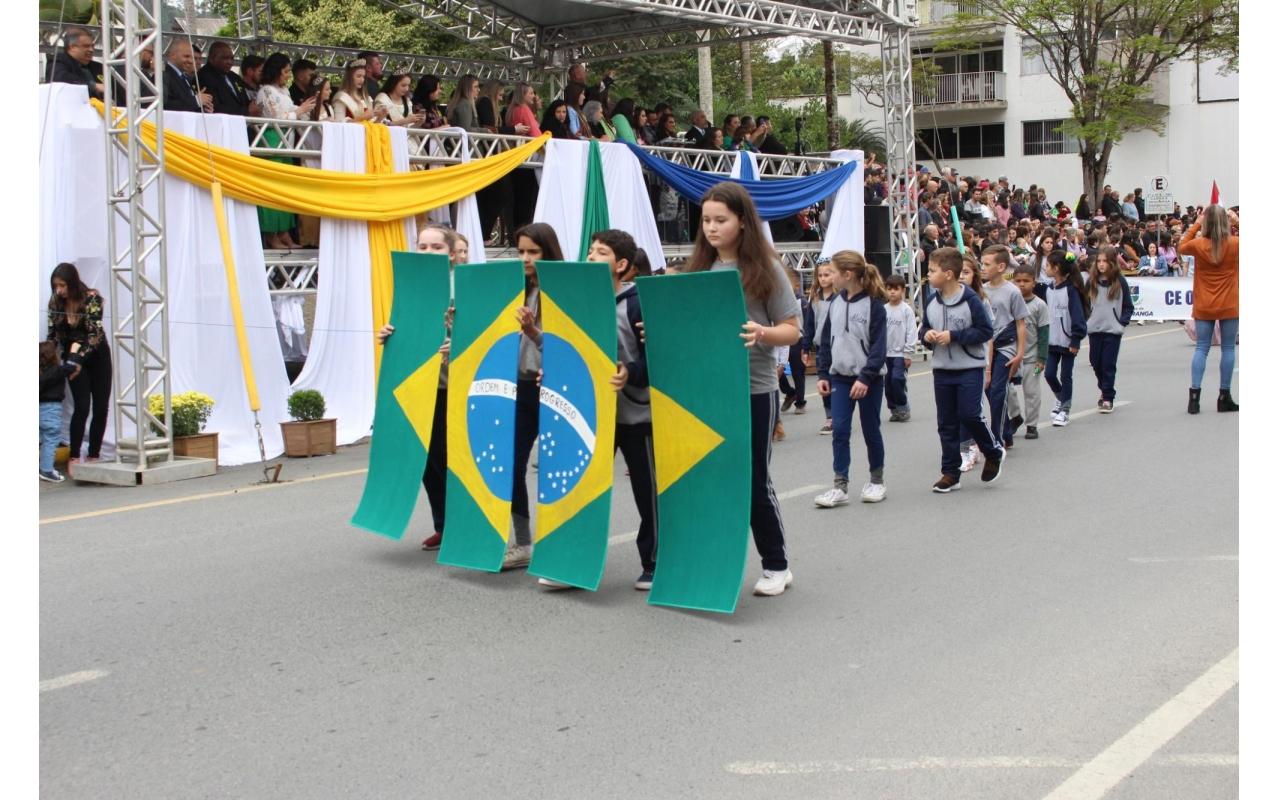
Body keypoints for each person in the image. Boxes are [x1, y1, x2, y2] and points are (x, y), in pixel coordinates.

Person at [683, 182, 801, 597]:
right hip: (706, 390)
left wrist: (764, 333)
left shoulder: (766, 270)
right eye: (706, 220)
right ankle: (710, 562)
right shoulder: (696, 269)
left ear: (742, 222)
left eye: (721, 220)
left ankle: (776, 565)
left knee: (752, 479)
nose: (712, 228)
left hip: (754, 388)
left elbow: (792, 329)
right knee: (708, 478)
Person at [376, 224, 463, 550]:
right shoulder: (411, 287)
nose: (427, 253)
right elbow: (409, 327)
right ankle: (444, 524)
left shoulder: (464, 286)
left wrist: (459, 342)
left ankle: (466, 526)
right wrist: (390, 335)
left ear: (452, 254)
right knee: (426, 458)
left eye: (436, 247)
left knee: (452, 458)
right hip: (421, 384)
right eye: (422, 247)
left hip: (454, 385)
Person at [586, 229, 658, 590]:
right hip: (591, 414)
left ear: (622, 264)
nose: (591, 258)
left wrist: (630, 372)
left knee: (647, 491)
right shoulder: (579, 301)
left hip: (636, 414)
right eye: (590, 252)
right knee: (582, 486)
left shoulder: (637, 302)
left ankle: (654, 562)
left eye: (600, 253)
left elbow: (655, 362)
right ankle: (573, 559)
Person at [501, 223, 564, 569]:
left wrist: (535, 333)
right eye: (521, 251)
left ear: (548, 252)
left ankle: (564, 544)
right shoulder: (513, 290)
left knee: (559, 469)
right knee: (511, 464)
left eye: (533, 252)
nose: (525, 258)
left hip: (555, 389)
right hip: (519, 387)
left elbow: (574, 345)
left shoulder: (564, 291)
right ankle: (523, 543)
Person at [919, 247, 1004, 493]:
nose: (928, 275)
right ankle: (950, 473)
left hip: (970, 367)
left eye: (932, 271)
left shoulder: (972, 301)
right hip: (942, 369)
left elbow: (985, 331)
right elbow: (923, 328)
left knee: (969, 414)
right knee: (946, 422)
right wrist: (928, 335)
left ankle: (992, 450)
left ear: (948, 274)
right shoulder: (931, 301)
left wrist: (954, 336)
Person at [813, 250, 889, 507]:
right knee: (840, 431)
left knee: (870, 430)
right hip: (840, 379)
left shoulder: (874, 306)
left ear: (846, 275)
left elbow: (879, 349)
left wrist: (865, 378)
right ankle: (840, 486)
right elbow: (826, 341)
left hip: (868, 380)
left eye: (832, 271)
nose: (829, 276)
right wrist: (824, 373)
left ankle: (876, 481)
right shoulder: (834, 302)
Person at [47, 263, 112, 468]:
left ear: (72, 283)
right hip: (73, 358)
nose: (59, 290)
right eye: (56, 286)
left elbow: (94, 335)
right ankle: (74, 455)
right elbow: (53, 335)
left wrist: (78, 360)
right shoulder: (55, 303)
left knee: (101, 407)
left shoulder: (91, 298)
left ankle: (94, 453)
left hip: (96, 357)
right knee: (81, 407)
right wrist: (45, 356)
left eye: (63, 286)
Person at [1178, 205, 1240, 413]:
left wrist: (1197, 223)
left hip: (1204, 302)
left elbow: (1181, 245)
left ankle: (1194, 397)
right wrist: (1237, 221)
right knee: (1228, 348)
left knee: (1201, 348)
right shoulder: (1234, 244)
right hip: (1229, 302)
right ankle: (1224, 396)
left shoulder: (1198, 245)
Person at [256, 53, 316, 250]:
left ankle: (284, 234)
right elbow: (275, 116)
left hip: (287, 143)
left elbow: (293, 112)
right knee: (272, 190)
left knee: (284, 189)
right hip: (272, 141)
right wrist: (298, 111)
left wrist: (308, 109)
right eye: (286, 71)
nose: (288, 75)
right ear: (276, 71)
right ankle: (272, 235)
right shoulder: (266, 91)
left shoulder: (284, 91)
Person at [981, 245, 1029, 449]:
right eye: (981, 263)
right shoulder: (981, 291)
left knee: (999, 390)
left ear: (1001, 266)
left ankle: (997, 437)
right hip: (987, 346)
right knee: (989, 390)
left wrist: (1020, 353)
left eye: (986, 264)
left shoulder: (1012, 292)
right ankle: (1007, 427)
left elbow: (1020, 323)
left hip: (1006, 345)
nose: (982, 267)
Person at [1085, 246, 1134, 413]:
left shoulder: (1120, 281)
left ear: (1112, 262)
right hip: (1094, 328)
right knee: (1095, 362)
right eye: (1098, 261)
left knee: (1108, 364)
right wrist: (1087, 319)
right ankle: (1104, 388)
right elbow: (1084, 304)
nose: (1101, 264)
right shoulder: (1091, 281)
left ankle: (1107, 396)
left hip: (1113, 330)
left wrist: (1122, 322)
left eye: (1105, 261)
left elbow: (1128, 305)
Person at [1043, 251, 1089, 427]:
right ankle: (1061, 398)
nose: (1045, 268)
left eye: (1048, 265)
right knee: (1048, 374)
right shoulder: (1048, 288)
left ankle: (1065, 410)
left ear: (1057, 268)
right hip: (1052, 340)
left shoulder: (1071, 290)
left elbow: (1077, 316)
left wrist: (1076, 339)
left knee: (1066, 375)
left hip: (1068, 341)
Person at [1005, 263, 1049, 440]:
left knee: (1031, 392)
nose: (1021, 284)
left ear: (1034, 282)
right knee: (1007, 389)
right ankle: (1015, 416)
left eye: (1026, 281)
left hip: (1032, 358)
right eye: (1018, 281)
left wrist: (1042, 358)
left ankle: (1032, 424)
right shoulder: (1009, 302)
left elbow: (1044, 333)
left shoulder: (1039, 305)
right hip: (1011, 356)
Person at [802, 261, 839, 434]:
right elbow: (809, 325)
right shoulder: (815, 298)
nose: (823, 279)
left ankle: (840, 413)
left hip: (838, 347)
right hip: (821, 348)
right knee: (824, 382)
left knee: (838, 382)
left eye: (827, 275)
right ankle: (830, 417)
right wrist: (805, 347)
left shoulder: (840, 297)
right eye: (820, 275)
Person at [40, 341, 79, 483]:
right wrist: (74, 352)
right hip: (50, 408)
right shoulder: (56, 370)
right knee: (50, 439)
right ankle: (47, 470)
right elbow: (71, 367)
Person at [884, 274, 917, 422]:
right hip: (885, 354)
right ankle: (894, 409)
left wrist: (908, 353)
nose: (892, 292)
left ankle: (903, 406)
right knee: (888, 384)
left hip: (900, 354)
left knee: (897, 380)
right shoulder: (883, 309)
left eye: (896, 289)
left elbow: (911, 331)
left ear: (902, 290)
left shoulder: (906, 310)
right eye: (889, 289)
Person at [778, 269, 809, 418]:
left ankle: (800, 402)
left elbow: (808, 323)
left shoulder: (801, 302)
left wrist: (807, 344)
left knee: (798, 372)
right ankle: (790, 392)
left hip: (797, 338)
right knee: (776, 369)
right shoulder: (776, 300)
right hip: (780, 338)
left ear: (796, 284)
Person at [198, 42, 257, 116]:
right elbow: (214, 107)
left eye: (232, 58)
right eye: (225, 58)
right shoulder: (204, 77)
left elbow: (243, 100)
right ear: (211, 58)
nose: (230, 62)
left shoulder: (233, 76)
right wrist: (246, 111)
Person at [51, 27, 103, 101]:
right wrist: (93, 86)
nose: (91, 50)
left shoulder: (99, 67)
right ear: (72, 47)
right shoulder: (58, 61)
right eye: (86, 46)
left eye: (92, 46)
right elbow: (61, 78)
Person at [161, 39, 212, 113]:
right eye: (186, 56)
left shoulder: (185, 77)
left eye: (192, 57)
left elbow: (187, 104)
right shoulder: (164, 76)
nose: (191, 61)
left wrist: (204, 108)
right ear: (172, 55)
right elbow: (164, 105)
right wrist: (196, 100)